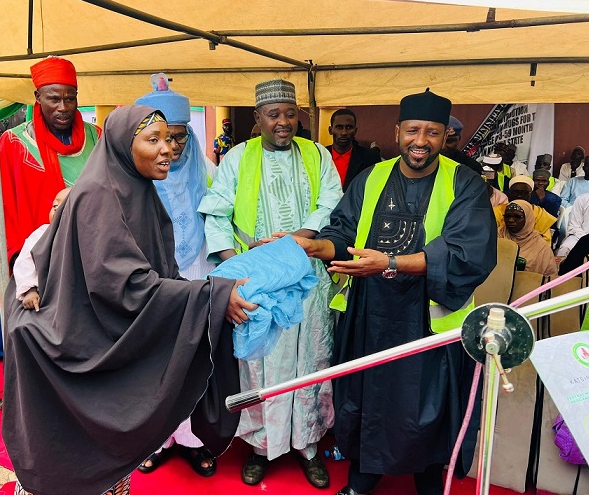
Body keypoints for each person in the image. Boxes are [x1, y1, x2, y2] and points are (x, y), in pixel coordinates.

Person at [4, 105, 256, 495]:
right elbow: (123, 287)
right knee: (83, 462)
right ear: (124, 144)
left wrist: (206, 296)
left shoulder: (138, 189)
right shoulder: (99, 195)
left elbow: (159, 271)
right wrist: (213, 295)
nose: (167, 149)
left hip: (111, 330)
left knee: (113, 472)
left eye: (169, 139)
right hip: (81, 337)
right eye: (153, 140)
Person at [284, 88, 496, 495]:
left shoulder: (465, 182)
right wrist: (313, 246)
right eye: (413, 130)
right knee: (369, 399)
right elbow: (343, 233)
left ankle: (428, 482)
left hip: (428, 318)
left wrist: (391, 263)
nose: (421, 141)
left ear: (445, 135)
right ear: (397, 131)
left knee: (426, 408)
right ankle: (362, 479)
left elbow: (467, 252)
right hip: (370, 313)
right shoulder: (371, 177)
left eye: (432, 132)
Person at [198, 78, 342, 488]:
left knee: (310, 360)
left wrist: (297, 240)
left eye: (290, 114)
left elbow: (331, 203)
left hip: (306, 276)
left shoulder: (317, 154)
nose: (283, 122)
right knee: (260, 366)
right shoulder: (237, 157)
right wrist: (238, 269)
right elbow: (217, 214)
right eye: (273, 114)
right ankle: (261, 447)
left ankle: (308, 445)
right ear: (257, 118)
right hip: (257, 280)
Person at [133, 74, 219, 477]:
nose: (173, 146)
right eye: (163, 137)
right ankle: (157, 439)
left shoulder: (207, 168)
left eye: (181, 136)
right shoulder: (136, 176)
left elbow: (223, 217)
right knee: (155, 360)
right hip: (153, 278)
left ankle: (195, 439)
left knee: (197, 356)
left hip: (199, 270)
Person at [0, 56, 101, 304]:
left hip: (91, 252)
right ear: (38, 97)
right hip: (38, 261)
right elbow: (1, 208)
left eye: (70, 98)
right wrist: (21, 264)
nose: (63, 107)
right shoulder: (14, 143)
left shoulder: (96, 136)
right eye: (54, 99)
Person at [13, 187, 71, 312]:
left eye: (65, 206)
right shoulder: (41, 234)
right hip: (43, 297)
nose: (56, 210)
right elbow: (25, 262)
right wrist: (30, 290)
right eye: (55, 205)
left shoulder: (84, 236)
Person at [493, 174, 557, 245]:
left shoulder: (540, 215)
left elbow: (545, 242)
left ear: (531, 194)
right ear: (510, 193)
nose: (519, 195)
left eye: (524, 193)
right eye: (515, 192)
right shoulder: (497, 211)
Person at [327, 108, 381, 191]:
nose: (344, 132)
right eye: (339, 127)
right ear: (330, 130)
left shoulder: (370, 158)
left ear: (355, 131)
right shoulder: (320, 156)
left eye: (349, 127)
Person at [499, 200, 558, 276]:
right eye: (507, 216)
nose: (510, 220)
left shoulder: (541, 247)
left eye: (517, 217)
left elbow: (550, 276)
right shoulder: (496, 237)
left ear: (528, 218)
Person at [556, 181, 589, 257]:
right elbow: (574, 226)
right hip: (580, 236)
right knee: (565, 248)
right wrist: (586, 239)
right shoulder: (583, 199)